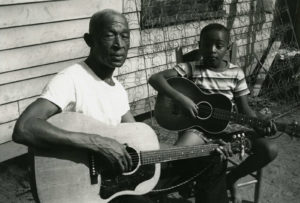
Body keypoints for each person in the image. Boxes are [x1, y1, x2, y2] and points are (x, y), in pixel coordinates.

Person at [13, 9, 153, 203]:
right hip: (73, 190)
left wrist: (190, 150)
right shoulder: (71, 79)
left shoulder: (118, 89)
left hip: (104, 187)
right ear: (89, 40)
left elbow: (139, 141)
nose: (118, 45)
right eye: (109, 35)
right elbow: (24, 128)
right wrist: (97, 142)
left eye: (124, 36)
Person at [148, 23, 278, 203]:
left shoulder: (236, 73)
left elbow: (245, 111)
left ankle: (229, 180)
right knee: (177, 153)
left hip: (229, 127)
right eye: (206, 44)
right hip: (198, 131)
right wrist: (181, 99)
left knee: (269, 149)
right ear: (199, 44)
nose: (212, 50)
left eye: (219, 45)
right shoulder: (190, 68)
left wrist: (261, 124)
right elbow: (155, 79)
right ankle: (180, 184)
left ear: (228, 47)